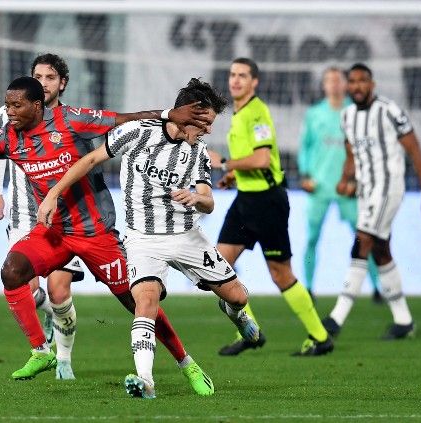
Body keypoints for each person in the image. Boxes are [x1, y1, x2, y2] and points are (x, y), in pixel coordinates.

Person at [0, 77, 216, 386]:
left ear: (37, 105)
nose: (9, 112)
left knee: (137, 301)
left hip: (95, 231)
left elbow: (122, 118)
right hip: (53, 231)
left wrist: (169, 113)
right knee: (12, 271)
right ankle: (41, 351)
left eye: (16, 106)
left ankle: (187, 363)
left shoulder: (70, 120)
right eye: (7, 105)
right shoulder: (6, 138)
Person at [37, 77, 260, 399]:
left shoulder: (198, 152)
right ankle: (145, 380)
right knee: (146, 301)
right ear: (189, 114)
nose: (209, 130)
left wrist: (197, 199)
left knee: (237, 296)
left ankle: (236, 315)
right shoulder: (139, 132)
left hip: (187, 237)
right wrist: (54, 194)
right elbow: (89, 160)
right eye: (206, 122)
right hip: (142, 240)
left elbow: (209, 201)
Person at [210, 57, 333, 356]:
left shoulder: (258, 112)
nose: (236, 80)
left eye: (243, 75)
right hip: (246, 200)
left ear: (255, 82)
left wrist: (225, 162)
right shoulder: (239, 113)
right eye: (232, 74)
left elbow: (263, 159)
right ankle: (250, 331)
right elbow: (252, 162)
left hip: (267, 201)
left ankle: (320, 337)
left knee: (281, 274)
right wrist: (234, 175)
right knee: (218, 267)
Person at [321, 63, 421, 340]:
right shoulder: (348, 116)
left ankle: (337, 317)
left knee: (362, 240)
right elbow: (351, 154)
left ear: (372, 84)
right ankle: (404, 321)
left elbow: (416, 150)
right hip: (366, 191)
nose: (358, 86)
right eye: (354, 81)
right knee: (380, 251)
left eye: (363, 81)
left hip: (389, 188)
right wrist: (345, 178)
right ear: (349, 86)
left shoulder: (390, 110)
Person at [0, 54, 84, 379]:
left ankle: (65, 360)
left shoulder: (69, 119)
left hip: (63, 219)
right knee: (26, 288)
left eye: (50, 77)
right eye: (38, 76)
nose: (43, 82)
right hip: (23, 214)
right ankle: (44, 344)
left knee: (59, 292)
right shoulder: (9, 113)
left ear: (62, 83)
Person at [298, 67, 381, 302]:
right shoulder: (314, 114)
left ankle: (377, 288)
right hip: (320, 187)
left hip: (349, 188)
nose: (334, 84)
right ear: (324, 85)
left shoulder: (355, 112)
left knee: (363, 238)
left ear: (344, 84)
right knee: (312, 238)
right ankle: (309, 288)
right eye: (329, 80)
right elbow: (304, 147)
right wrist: (305, 175)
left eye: (337, 80)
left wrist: (358, 179)